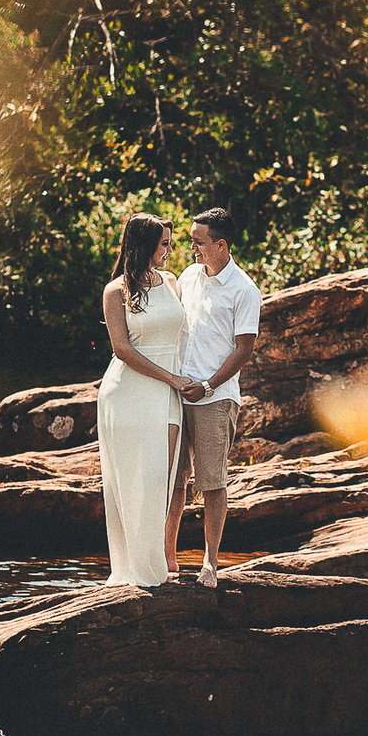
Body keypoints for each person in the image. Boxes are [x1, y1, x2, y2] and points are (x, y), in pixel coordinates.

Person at [165, 207, 261, 588]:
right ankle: (167, 558)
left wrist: (206, 385)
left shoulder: (244, 290)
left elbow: (244, 351)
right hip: (177, 396)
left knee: (212, 482)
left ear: (221, 245)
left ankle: (210, 564)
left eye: (199, 242)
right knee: (174, 478)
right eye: (191, 241)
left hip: (215, 399)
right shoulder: (189, 277)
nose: (191, 248)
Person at [97, 213, 188, 588]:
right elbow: (121, 349)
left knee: (161, 479)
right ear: (144, 245)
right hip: (129, 393)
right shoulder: (115, 290)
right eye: (164, 243)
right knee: (134, 480)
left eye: (170, 242)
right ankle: (136, 570)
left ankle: (154, 564)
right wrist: (171, 378)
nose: (170, 250)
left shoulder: (170, 282)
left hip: (169, 391)